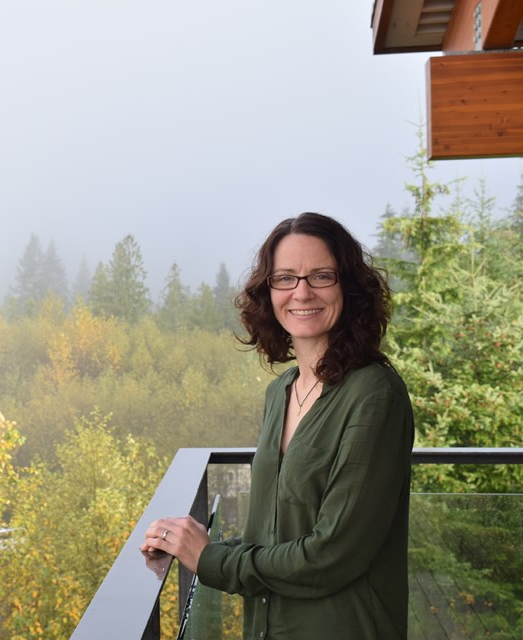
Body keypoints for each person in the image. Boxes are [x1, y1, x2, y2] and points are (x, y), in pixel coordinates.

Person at [141, 212, 414, 639]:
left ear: (349, 288)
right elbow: (273, 536)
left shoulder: (374, 395)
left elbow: (332, 554)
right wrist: (191, 542)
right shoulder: (282, 391)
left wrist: (212, 561)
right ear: (268, 293)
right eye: (285, 278)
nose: (301, 292)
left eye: (321, 276)